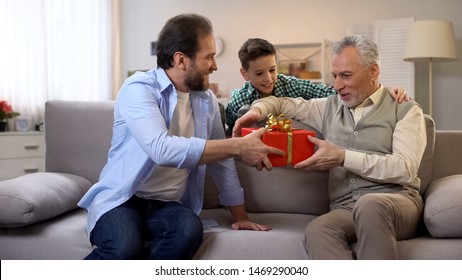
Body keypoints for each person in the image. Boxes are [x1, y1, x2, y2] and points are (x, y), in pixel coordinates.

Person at [77, 14, 285, 260]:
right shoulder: (139, 89)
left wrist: (240, 217)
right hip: (123, 199)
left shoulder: (205, 100)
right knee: (124, 246)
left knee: (188, 230)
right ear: (181, 59)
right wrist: (238, 146)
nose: (215, 65)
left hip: (167, 206)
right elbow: (161, 149)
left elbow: (222, 160)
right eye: (208, 57)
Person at [233, 35, 426, 259]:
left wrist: (343, 157)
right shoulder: (328, 107)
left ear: (373, 71)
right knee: (318, 229)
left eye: (346, 75)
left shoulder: (405, 109)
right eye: (335, 76)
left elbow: (405, 168)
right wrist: (257, 111)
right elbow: (281, 103)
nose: (337, 85)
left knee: (370, 205)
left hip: (396, 203)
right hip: (346, 208)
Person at [225, 38, 408, 133]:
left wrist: (382, 90)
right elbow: (231, 132)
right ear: (245, 74)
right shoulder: (238, 99)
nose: (268, 78)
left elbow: (333, 92)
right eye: (259, 73)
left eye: (272, 70)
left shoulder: (292, 85)